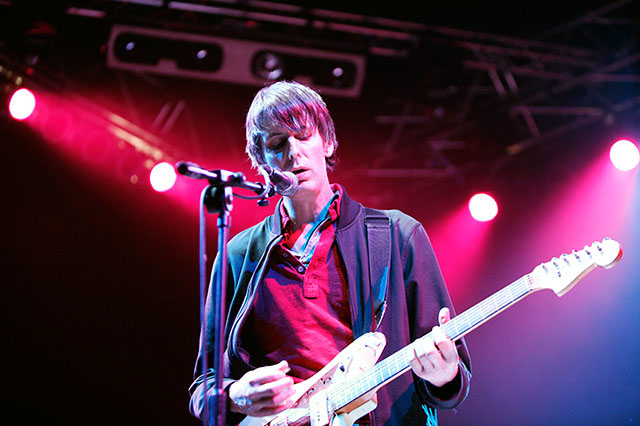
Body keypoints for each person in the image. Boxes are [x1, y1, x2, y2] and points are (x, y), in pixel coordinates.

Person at [189, 81, 471, 426]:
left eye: (303, 136)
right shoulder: (239, 254)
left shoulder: (398, 234)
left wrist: (445, 375)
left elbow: (452, 383)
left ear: (328, 142)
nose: (293, 153)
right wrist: (235, 396)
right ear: (261, 161)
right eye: (277, 144)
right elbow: (203, 387)